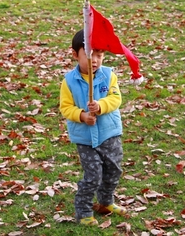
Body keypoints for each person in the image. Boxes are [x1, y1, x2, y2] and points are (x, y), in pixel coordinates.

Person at [59, 29, 127, 226]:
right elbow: (66, 107)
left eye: (100, 55)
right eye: (89, 55)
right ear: (75, 54)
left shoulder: (108, 75)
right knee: (93, 176)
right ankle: (83, 210)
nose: (95, 60)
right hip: (86, 138)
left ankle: (106, 202)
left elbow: (115, 98)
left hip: (109, 134)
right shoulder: (69, 81)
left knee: (113, 171)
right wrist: (81, 115)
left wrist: (101, 106)